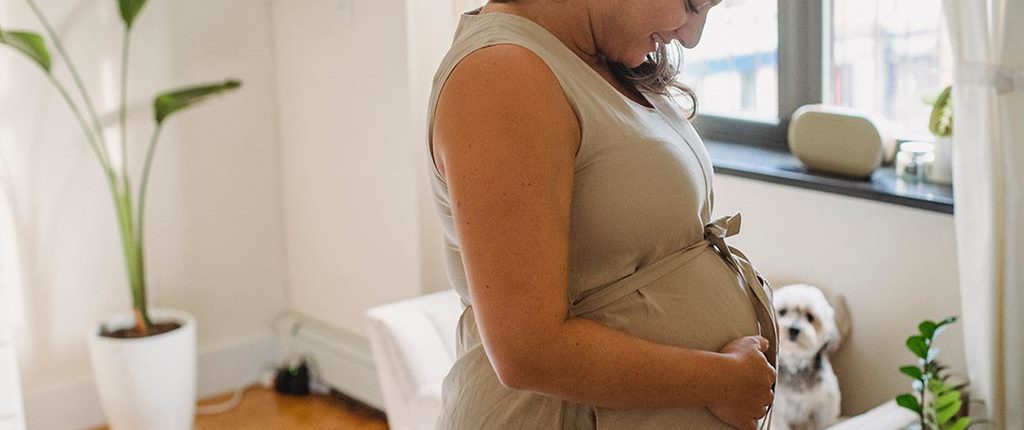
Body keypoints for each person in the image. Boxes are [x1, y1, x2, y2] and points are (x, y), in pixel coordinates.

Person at [425, 1, 779, 429]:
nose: (691, 36)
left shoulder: (603, 57)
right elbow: (529, 352)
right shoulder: (500, 73)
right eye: (691, 4)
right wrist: (721, 381)